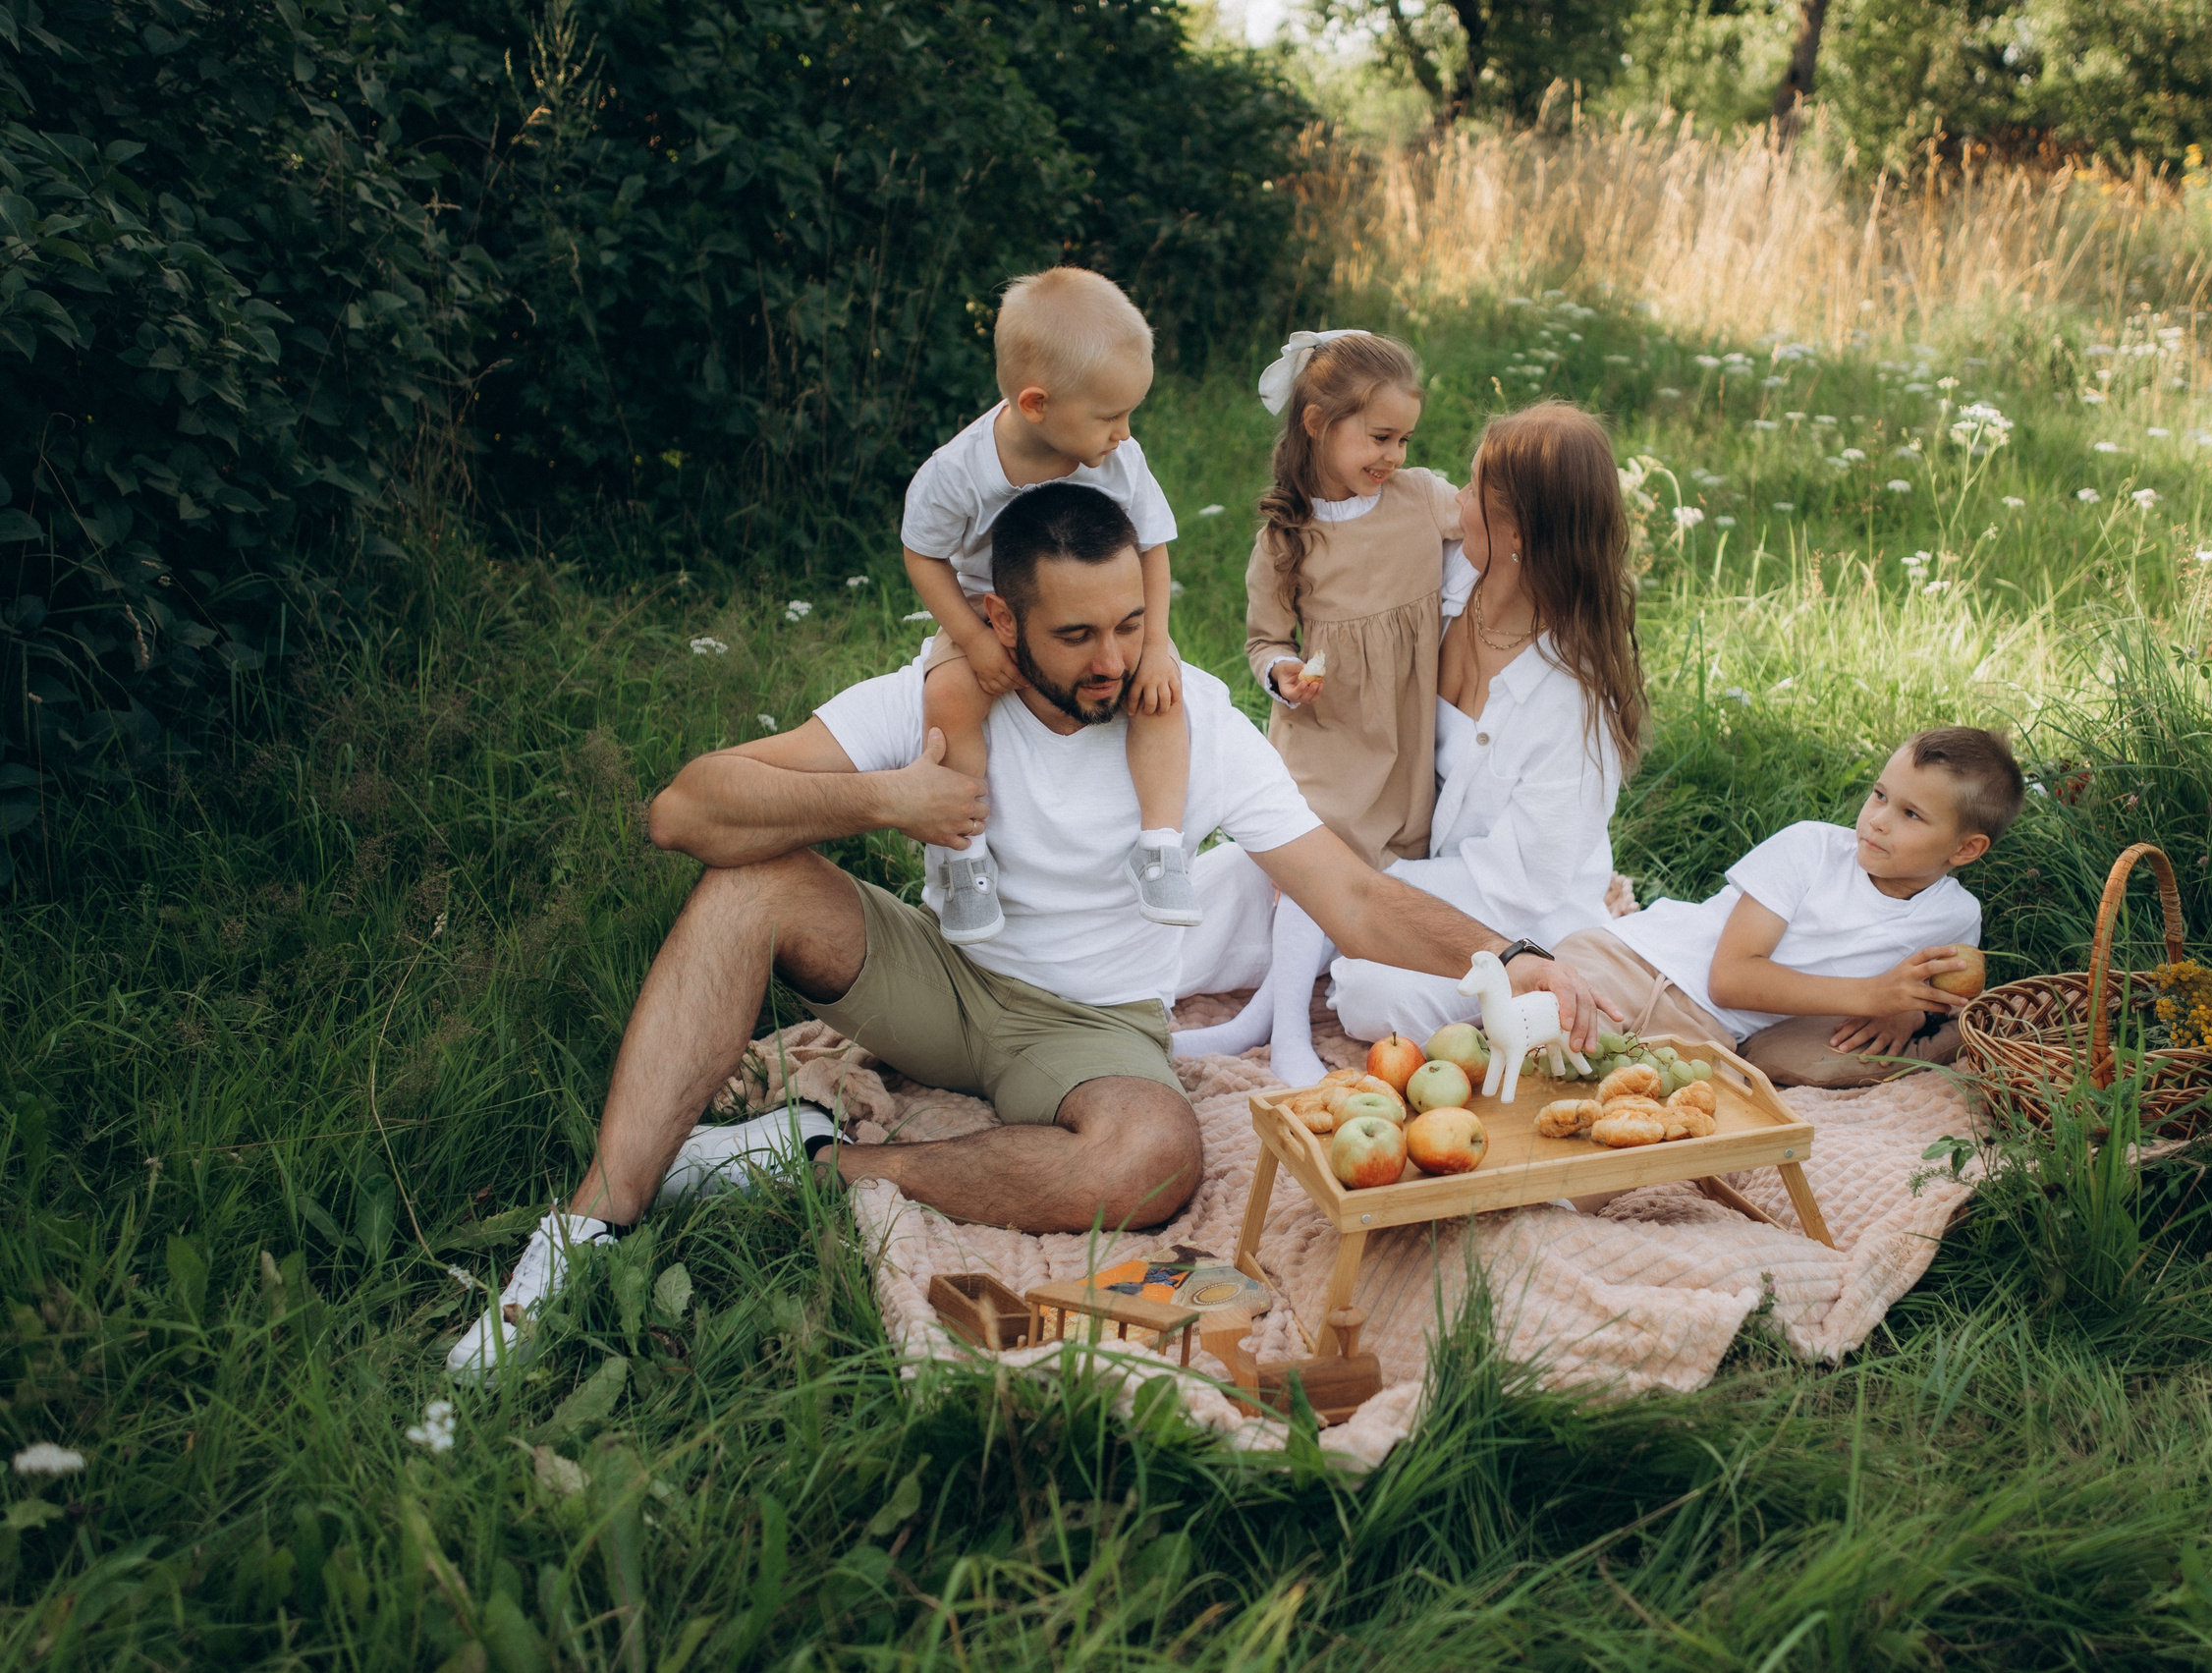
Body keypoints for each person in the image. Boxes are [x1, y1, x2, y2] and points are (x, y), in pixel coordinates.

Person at [446, 481, 1606, 1383]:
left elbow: (1349, 897)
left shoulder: (1188, 711)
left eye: (1131, 625)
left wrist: (1507, 956)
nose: (1112, 661)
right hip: (938, 977)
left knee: (1153, 1154)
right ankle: (592, 1225)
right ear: (1000, 616)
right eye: (1076, 635)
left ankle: (803, 1163)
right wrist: (887, 799)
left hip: (1090, 1028)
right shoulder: (935, 689)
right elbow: (682, 809)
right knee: (747, 886)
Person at [1170, 330, 1471, 1085]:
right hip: (1325, 732)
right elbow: (1263, 639)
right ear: (1317, 425)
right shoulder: (1285, 537)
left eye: (1405, 438)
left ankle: (1261, 1014)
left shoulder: (1421, 498)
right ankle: (1282, 1032)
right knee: (1318, 862)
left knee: (1389, 861)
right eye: (1378, 437)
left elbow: (1481, 530)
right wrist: (1283, 673)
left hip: (1400, 739)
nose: (1393, 455)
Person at [1321, 400, 1652, 1046]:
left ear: (1519, 532)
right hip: (1392, 855)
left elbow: (1517, 885)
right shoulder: (1446, 578)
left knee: (1368, 990)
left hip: (1513, 919)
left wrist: (1358, 884)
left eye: (1473, 489)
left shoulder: (1573, 702)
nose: (1457, 499)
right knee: (1253, 870)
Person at [899, 266, 1194, 946]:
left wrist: (1154, 645)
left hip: (1097, 622)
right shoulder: (959, 471)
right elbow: (922, 554)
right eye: (1109, 416)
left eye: (1129, 414)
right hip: (988, 616)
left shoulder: (1118, 460)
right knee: (948, 696)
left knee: (1163, 695)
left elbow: (1152, 547)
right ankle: (965, 862)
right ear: (1036, 405)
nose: (1123, 432)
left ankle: (1159, 845)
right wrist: (973, 640)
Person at [1559, 727, 2019, 1087]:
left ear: (1965, 849)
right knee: (1534, 1050)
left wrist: (1910, 1012)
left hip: (1710, 1035)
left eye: (1911, 814)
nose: (1877, 821)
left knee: (1644, 1121)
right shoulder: (1810, 849)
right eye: (1879, 795)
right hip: (1635, 965)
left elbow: (1945, 998)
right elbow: (1730, 978)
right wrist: (1873, 995)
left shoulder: (1955, 917)